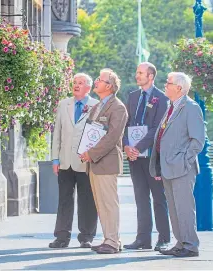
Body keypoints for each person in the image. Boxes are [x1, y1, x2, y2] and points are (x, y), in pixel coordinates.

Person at [149, 72, 205, 257]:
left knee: (184, 208)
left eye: (168, 82)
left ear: (179, 88)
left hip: (181, 168)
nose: (165, 85)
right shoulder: (171, 106)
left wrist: (183, 160)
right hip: (167, 167)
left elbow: (198, 140)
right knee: (174, 209)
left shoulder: (191, 107)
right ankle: (180, 243)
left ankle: (190, 245)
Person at [123, 62, 170, 251]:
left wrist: (138, 146)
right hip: (134, 157)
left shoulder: (162, 98)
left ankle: (164, 238)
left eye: (141, 73)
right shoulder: (133, 96)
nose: (137, 75)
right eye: (137, 72)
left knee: (159, 198)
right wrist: (127, 145)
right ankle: (143, 239)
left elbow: (157, 128)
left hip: (152, 157)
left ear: (151, 76)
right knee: (140, 198)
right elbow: (125, 124)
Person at [80, 68, 128, 254]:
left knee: (109, 203)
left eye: (100, 79)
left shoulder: (118, 107)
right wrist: (84, 151)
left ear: (109, 86)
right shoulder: (97, 106)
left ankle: (113, 242)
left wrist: (91, 153)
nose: (96, 82)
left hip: (106, 162)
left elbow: (112, 137)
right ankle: (110, 238)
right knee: (101, 203)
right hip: (94, 162)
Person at [50, 73, 98, 249]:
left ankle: (86, 236)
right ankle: (61, 236)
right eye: (75, 82)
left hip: (86, 161)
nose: (76, 85)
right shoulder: (64, 104)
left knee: (87, 199)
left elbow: (98, 133)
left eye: (81, 83)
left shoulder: (95, 106)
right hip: (65, 160)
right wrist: (55, 159)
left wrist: (93, 155)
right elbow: (57, 134)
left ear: (88, 87)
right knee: (64, 199)